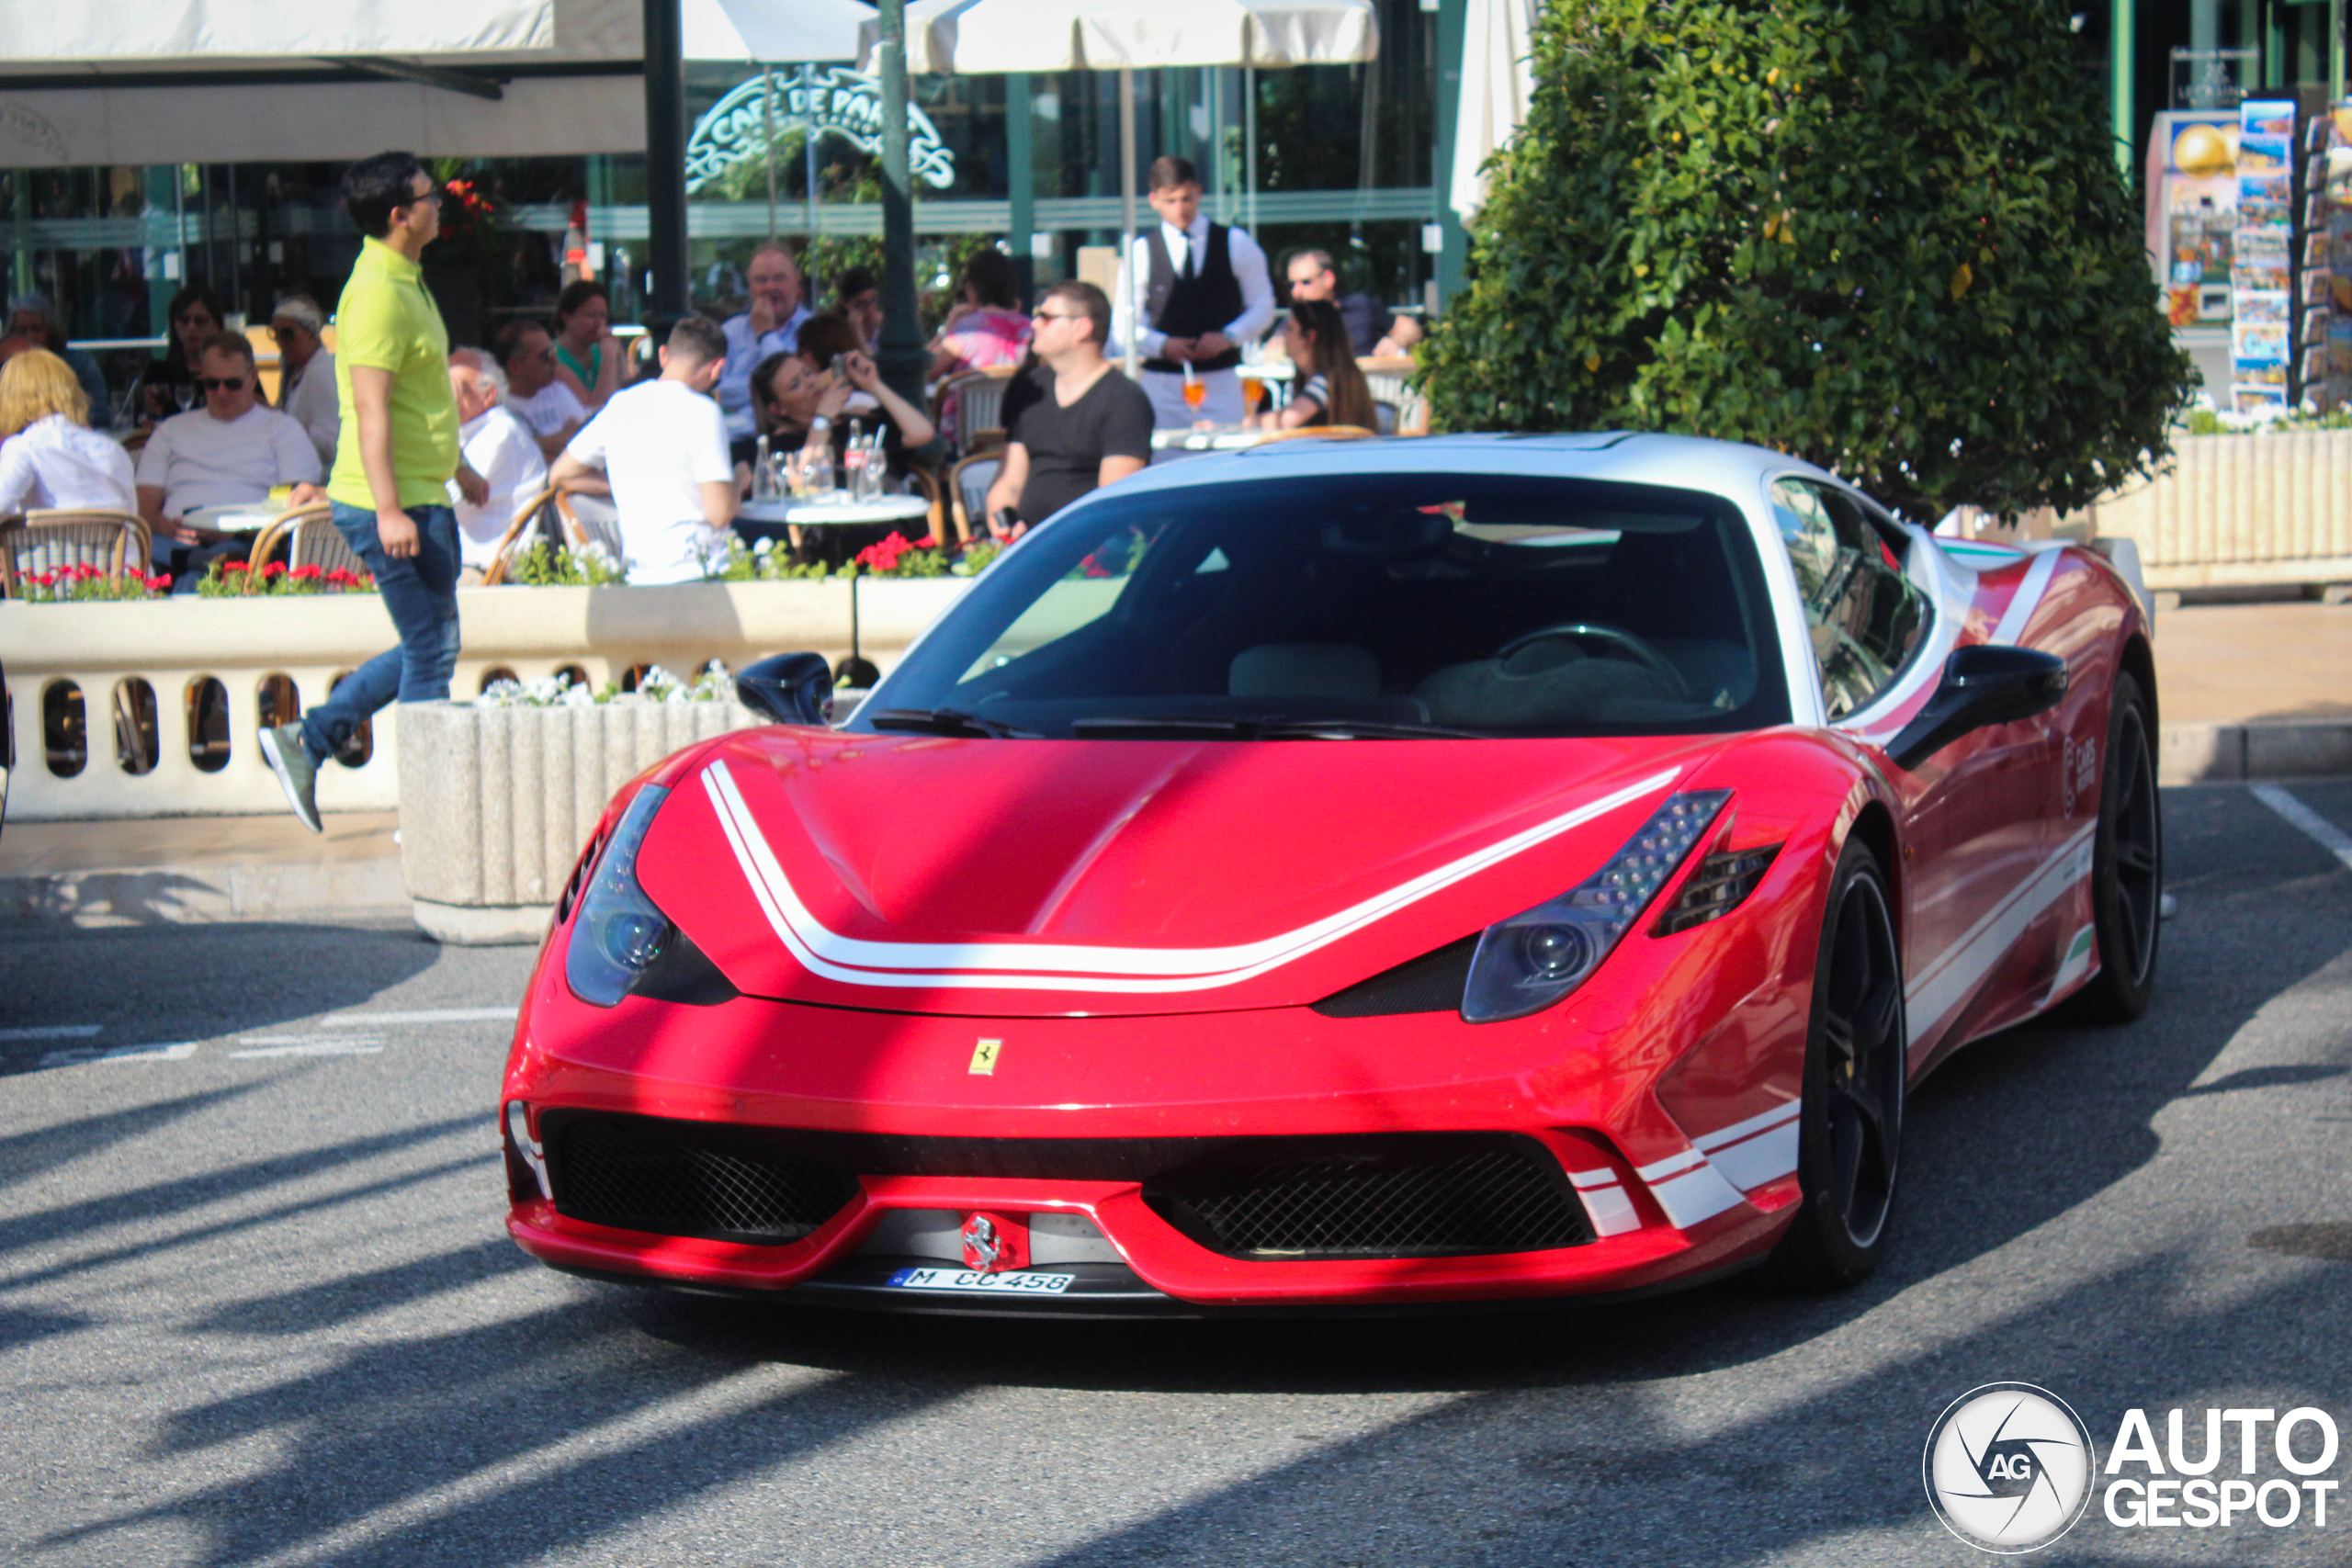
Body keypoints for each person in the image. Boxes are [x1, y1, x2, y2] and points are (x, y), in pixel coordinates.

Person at [259, 151, 488, 834]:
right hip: (392, 501)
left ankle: (310, 738)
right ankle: (421, 808)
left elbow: (416, 401)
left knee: (432, 643)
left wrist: (458, 465)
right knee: (430, 648)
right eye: (430, 196)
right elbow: (372, 409)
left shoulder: (404, 277)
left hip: (420, 492)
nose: (439, 204)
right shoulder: (379, 292)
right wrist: (389, 508)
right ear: (399, 215)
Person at [548, 315, 736, 585]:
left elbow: (559, 474)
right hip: (698, 572)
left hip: (639, 574)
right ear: (718, 367)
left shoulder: (621, 405)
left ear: (663, 355)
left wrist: (627, 482)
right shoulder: (704, 411)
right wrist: (740, 481)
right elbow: (719, 514)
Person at [133, 331, 322, 585]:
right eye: (212, 383)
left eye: (232, 383)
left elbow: (296, 505)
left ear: (253, 379)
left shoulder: (282, 430)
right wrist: (163, 525)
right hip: (172, 542)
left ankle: (198, 564)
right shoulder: (171, 430)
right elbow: (145, 504)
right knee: (139, 551)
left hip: (249, 545)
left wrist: (238, 534)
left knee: (194, 578)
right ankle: (198, 561)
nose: (222, 393)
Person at [1110, 155, 1276, 429]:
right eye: (1170, 200)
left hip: (1221, 379)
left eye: (1186, 199)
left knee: (1226, 457)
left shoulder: (1235, 242)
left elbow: (1263, 305)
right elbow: (1123, 326)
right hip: (1162, 384)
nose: (1180, 209)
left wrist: (1229, 337)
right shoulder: (1140, 251)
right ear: (1154, 200)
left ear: (1198, 193)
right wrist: (1161, 345)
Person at [983, 281, 1152, 537]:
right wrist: (1004, 518)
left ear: (1082, 328)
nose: (1034, 323)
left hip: (1090, 549)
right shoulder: (1030, 387)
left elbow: (1113, 504)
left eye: (1046, 318)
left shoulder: (1124, 400)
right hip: (1025, 542)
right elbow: (1010, 480)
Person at [447, 347, 548, 577]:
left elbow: (445, 499)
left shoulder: (499, 433)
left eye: (455, 386)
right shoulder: (471, 431)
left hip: (485, 569)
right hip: (465, 564)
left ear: (489, 394)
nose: (444, 394)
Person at [0, 348, 136, 515]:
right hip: (115, 541)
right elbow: (133, 523)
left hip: (46, 541)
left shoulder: (24, 447)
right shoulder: (112, 449)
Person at [718, 242, 811, 441]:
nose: (770, 287)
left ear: (797, 284)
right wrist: (769, 390)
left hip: (795, 438)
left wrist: (766, 335)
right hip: (735, 442)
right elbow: (718, 392)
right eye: (761, 280)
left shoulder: (814, 330)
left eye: (779, 278)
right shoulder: (730, 332)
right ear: (750, 288)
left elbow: (804, 391)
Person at [1252, 298, 1377, 433]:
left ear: (1309, 336)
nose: (1283, 334)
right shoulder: (1327, 375)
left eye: (1289, 328)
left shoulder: (1326, 380)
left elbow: (1287, 420)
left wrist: (1253, 421)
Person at [1281, 248, 1423, 360]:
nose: (1296, 292)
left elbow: (1410, 328)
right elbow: (1275, 345)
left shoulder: (1359, 306)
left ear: (1328, 279)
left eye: (1305, 282)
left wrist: (1395, 341)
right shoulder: (1296, 320)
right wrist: (1276, 348)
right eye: (1291, 285)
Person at [6, 293, 110, 420]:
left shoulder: (79, 363)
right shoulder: (4, 367)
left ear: (51, 330)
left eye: (37, 329)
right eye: (21, 331)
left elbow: (98, 414)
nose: (29, 336)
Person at [495, 321, 588, 461]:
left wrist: (536, 443)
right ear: (515, 367)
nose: (555, 361)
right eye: (546, 355)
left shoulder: (557, 390)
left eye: (554, 352)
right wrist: (566, 436)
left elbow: (586, 437)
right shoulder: (499, 405)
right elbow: (516, 454)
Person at [269, 295, 340, 468]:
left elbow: (332, 443)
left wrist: (291, 429)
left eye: (288, 334)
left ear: (311, 332)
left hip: (320, 480)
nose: (280, 341)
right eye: (275, 334)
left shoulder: (321, 372)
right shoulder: (293, 370)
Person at [141, 283, 227, 422]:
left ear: (216, 325)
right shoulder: (159, 374)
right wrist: (149, 409)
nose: (191, 327)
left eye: (200, 321)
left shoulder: (234, 371)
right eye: (184, 320)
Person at [549, 279, 623, 412]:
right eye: (591, 315)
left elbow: (627, 390)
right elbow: (593, 408)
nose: (599, 323)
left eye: (603, 316)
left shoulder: (602, 349)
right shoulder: (553, 357)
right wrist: (608, 358)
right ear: (566, 317)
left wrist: (619, 354)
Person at [833, 265, 882, 351]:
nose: (870, 309)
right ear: (845, 303)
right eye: (862, 304)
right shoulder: (837, 333)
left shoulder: (881, 326)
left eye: (873, 300)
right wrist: (858, 333)